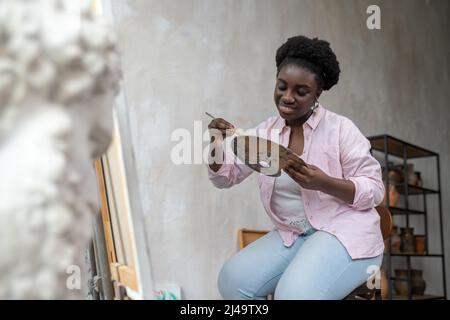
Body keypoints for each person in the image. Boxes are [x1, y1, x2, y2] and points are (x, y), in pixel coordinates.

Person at [207, 35, 384, 300]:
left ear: (317, 94)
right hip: (294, 234)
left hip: (344, 231)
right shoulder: (266, 132)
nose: (287, 98)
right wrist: (217, 142)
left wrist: (324, 182)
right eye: (281, 87)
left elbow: (376, 190)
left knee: (292, 295)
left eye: (301, 92)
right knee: (231, 282)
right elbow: (225, 177)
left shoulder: (341, 129)